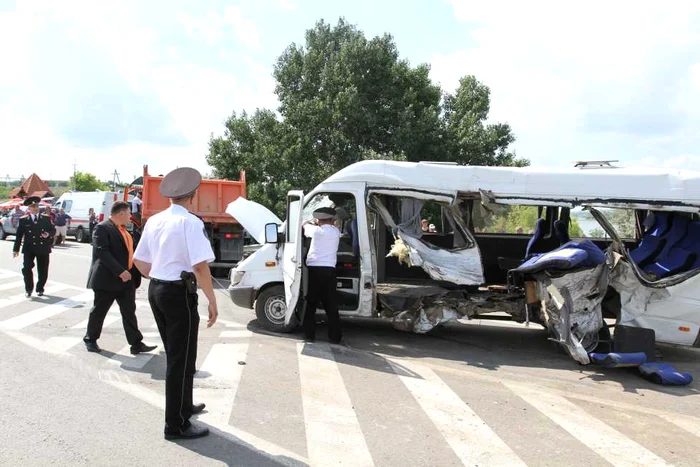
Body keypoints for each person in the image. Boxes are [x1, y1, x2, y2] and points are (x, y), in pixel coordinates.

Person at [133, 167, 217, 440]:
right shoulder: (190, 223)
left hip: (157, 290)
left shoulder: (155, 220)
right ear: (192, 196)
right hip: (179, 293)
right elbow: (200, 266)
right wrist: (212, 300)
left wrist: (160, 276)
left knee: (180, 354)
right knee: (180, 359)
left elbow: (140, 262)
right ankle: (176, 424)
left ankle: (184, 405)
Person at [83, 201, 157, 354]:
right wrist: (119, 271)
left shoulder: (125, 231)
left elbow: (133, 254)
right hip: (107, 280)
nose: (131, 217)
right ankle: (90, 339)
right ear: (121, 214)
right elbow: (102, 252)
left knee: (129, 312)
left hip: (126, 280)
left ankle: (136, 344)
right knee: (99, 311)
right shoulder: (102, 228)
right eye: (129, 213)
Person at [302, 207, 342, 344]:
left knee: (311, 303)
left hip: (315, 271)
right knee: (331, 305)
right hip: (330, 270)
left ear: (319, 220)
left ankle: (309, 335)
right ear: (331, 220)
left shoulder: (317, 231)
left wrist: (308, 222)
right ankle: (335, 337)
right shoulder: (336, 232)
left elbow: (304, 226)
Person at [12, 197, 55, 298]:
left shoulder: (46, 218)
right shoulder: (23, 220)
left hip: (43, 248)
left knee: (43, 270)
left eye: (36, 206)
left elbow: (53, 230)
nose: (35, 208)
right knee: (26, 268)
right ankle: (28, 289)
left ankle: (40, 288)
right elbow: (19, 235)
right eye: (32, 207)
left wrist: (48, 234)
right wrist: (16, 249)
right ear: (29, 209)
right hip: (29, 248)